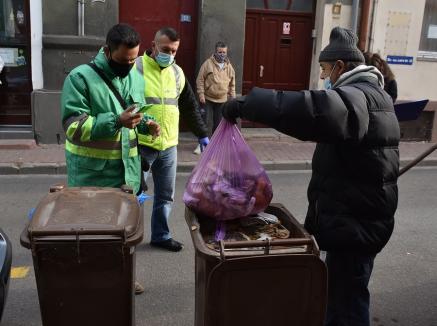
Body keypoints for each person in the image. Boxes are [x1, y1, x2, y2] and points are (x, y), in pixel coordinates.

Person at [222, 27, 400, 326]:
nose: (323, 77)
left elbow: (312, 110)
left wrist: (247, 104)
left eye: (325, 69)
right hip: (358, 219)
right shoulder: (373, 96)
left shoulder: (357, 97)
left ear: (340, 67)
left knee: (346, 304)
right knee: (344, 294)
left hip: (355, 225)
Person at [61, 23, 159, 295]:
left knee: (126, 234)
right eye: (123, 60)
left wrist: (145, 124)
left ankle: (125, 278)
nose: (129, 65)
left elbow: (134, 114)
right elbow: (73, 127)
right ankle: (92, 285)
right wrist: (116, 120)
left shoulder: (135, 77)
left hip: (127, 176)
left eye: (133, 59)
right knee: (94, 236)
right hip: (92, 177)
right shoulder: (80, 78)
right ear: (107, 51)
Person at [135, 27, 209, 252]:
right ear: (153, 45)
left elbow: (188, 106)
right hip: (141, 145)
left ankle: (161, 235)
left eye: (174, 50)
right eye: (165, 49)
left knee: (165, 196)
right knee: (133, 197)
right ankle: (128, 237)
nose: (170, 54)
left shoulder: (177, 72)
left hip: (168, 146)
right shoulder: (135, 68)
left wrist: (202, 133)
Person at [194, 41, 236, 154]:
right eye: (220, 52)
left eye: (224, 52)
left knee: (218, 124)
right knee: (205, 123)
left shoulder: (229, 67)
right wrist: (201, 94)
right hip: (207, 98)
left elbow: (232, 84)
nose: (222, 54)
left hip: (222, 99)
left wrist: (233, 98)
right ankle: (201, 145)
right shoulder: (207, 64)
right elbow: (200, 80)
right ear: (215, 51)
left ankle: (215, 145)